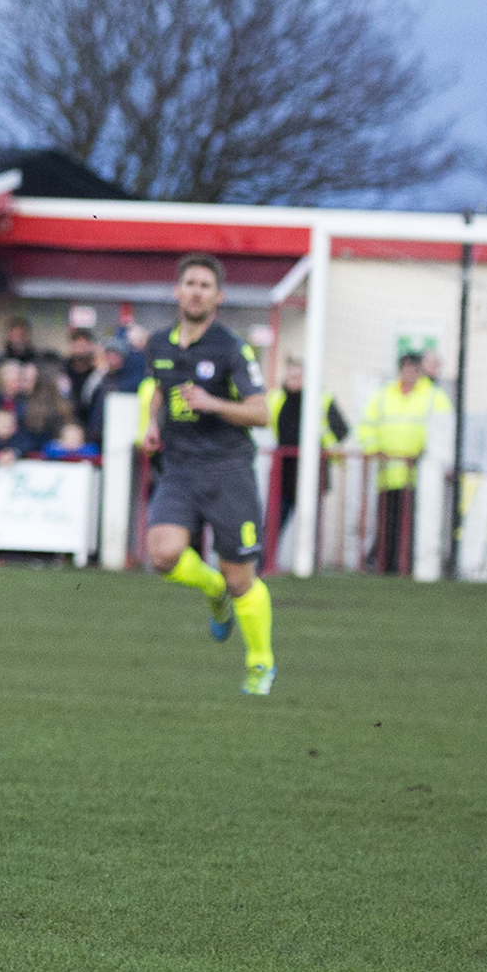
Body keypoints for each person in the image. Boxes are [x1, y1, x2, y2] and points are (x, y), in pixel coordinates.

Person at [137, 253, 275, 695]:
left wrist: (214, 404)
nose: (195, 291)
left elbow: (261, 412)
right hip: (179, 468)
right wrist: (153, 424)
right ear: (177, 291)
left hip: (228, 471)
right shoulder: (158, 344)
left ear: (218, 297)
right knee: (162, 555)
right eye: (189, 283)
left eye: (204, 285)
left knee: (242, 580)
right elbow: (160, 391)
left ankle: (260, 663)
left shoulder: (232, 348)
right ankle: (212, 588)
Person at [358, 351, 450, 575]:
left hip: (419, 475)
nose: (410, 373)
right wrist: (374, 450)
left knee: (412, 525)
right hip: (388, 473)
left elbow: (442, 431)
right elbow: (366, 425)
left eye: (414, 369)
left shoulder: (433, 396)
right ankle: (384, 565)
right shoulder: (383, 395)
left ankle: (406, 566)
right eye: (406, 368)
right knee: (387, 523)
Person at [267, 357, 349, 536]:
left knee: (310, 531)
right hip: (284, 473)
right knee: (272, 527)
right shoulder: (276, 398)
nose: (294, 381)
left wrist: (327, 448)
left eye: (299, 376)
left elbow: (342, 430)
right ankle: (265, 563)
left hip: (313, 471)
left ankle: (308, 563)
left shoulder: (322, 399)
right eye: (291, 377)